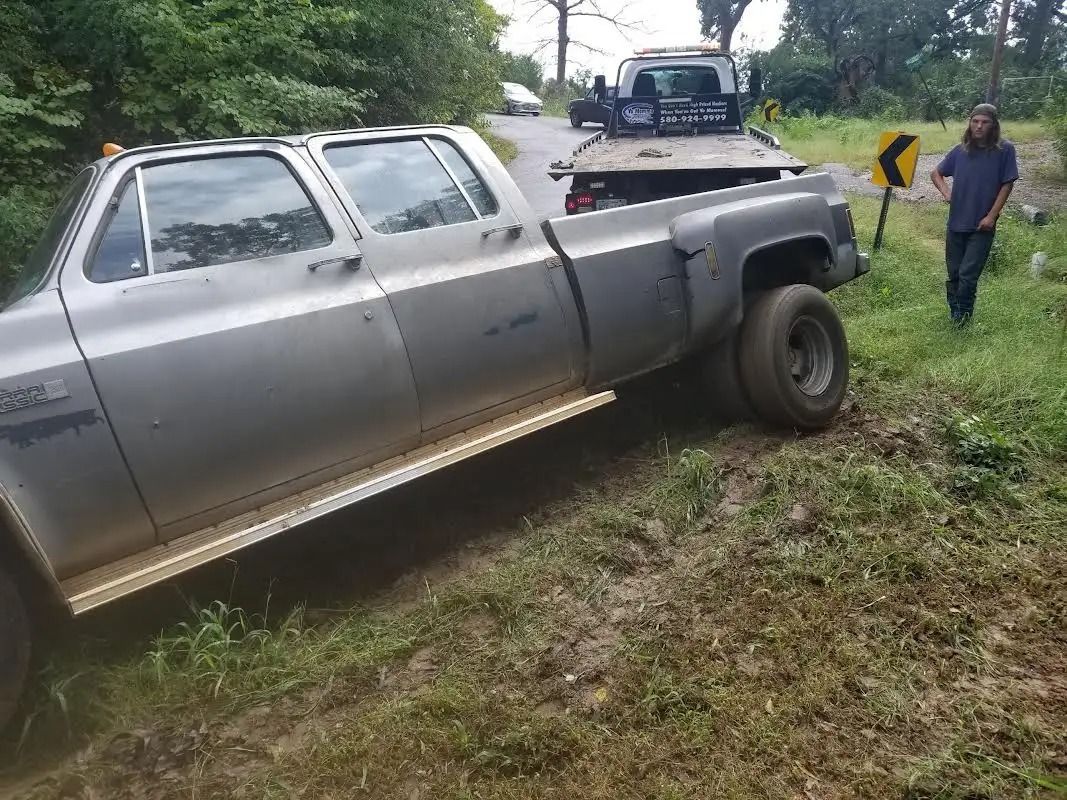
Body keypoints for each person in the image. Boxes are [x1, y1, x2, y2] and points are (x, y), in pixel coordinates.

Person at [930, 103, 1019, 326]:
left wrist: (991, 216)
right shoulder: (961, 151)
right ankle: (955, 314)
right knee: (954, 274)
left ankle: (963, 319)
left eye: (984, 122)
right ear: (970, 123)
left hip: (982, 226)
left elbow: (1007, 184)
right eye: (975, 121)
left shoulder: (1004, 150)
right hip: (956, 223)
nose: (979, 126)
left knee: (968, 275)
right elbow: (936, 173)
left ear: (993, 125)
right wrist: (946, 193)